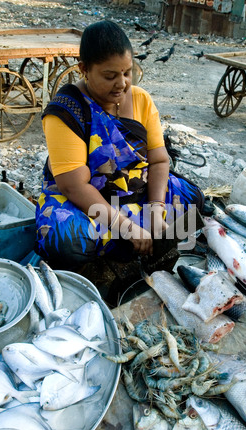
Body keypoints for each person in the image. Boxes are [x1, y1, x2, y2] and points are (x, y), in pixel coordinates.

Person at [34, 20, 205, 270]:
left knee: (195, 199)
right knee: (67, 241)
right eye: (110, 76)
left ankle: (137, 239)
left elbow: (158, 160)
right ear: (84, 69)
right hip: (88, 202)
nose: (122, 83)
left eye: (127, 72)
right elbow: (73, 186)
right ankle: (131, 242)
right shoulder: (65, 112)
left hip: (136, 191)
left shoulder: (141, 100)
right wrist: (126, 227)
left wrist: (156, 209)